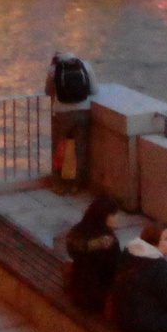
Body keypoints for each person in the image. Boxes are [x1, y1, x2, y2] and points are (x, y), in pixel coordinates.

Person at [45, 52, 97, 194]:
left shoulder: (54, 69)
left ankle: (59, 185)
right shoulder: (85, 66)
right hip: (83, 112)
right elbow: (94, 90)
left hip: (61, 114)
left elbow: (48, 91)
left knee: (59, 148)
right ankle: (76, 185)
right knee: (79, 149)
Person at [65, 195, 121, 314]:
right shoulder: (108, 242)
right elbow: (114, 268)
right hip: (96, 296)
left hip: (76, 287)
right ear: (105, 217)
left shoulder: (77, 231)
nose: (115, 219)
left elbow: (72, 253)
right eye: (113, 215)